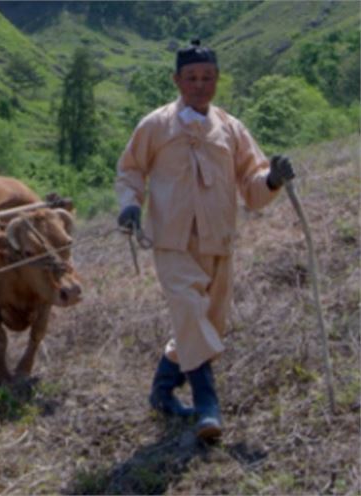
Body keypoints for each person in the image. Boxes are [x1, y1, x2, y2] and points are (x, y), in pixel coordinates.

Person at [115, 39, 294, 441]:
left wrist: (273, 179)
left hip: (219, 243)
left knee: (207, 323)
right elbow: (129, 171)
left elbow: (252, 183)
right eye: (191, 77)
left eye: (207, 77)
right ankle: (208, 407)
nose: (199, 85)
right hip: (172, 244)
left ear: (216, 80)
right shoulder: (155, 126)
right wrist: (130, 205)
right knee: (192, 315)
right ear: (177, 80)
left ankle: (162, 391)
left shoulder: (231, 129)